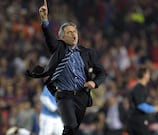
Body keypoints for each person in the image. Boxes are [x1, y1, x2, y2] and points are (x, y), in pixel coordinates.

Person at [26, 0, 106, 134]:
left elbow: (101, 72)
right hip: (64, 95)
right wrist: (45, 21)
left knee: (72, 129)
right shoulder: (59, 50)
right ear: (62, 37)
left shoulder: (88, 53)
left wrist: (94, 82)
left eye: (75, 31)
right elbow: (50, 39)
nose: (73, 34)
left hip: (82, 96)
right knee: (71, 126)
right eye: (69, 32)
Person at [127, 66, 158, 135]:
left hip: (134, 119)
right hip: (137, 120)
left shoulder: (139, 88)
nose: (149, 76)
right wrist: (155, 108)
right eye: (148, 74)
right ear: (144, 75)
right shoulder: (139, 88)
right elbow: (141, 105)